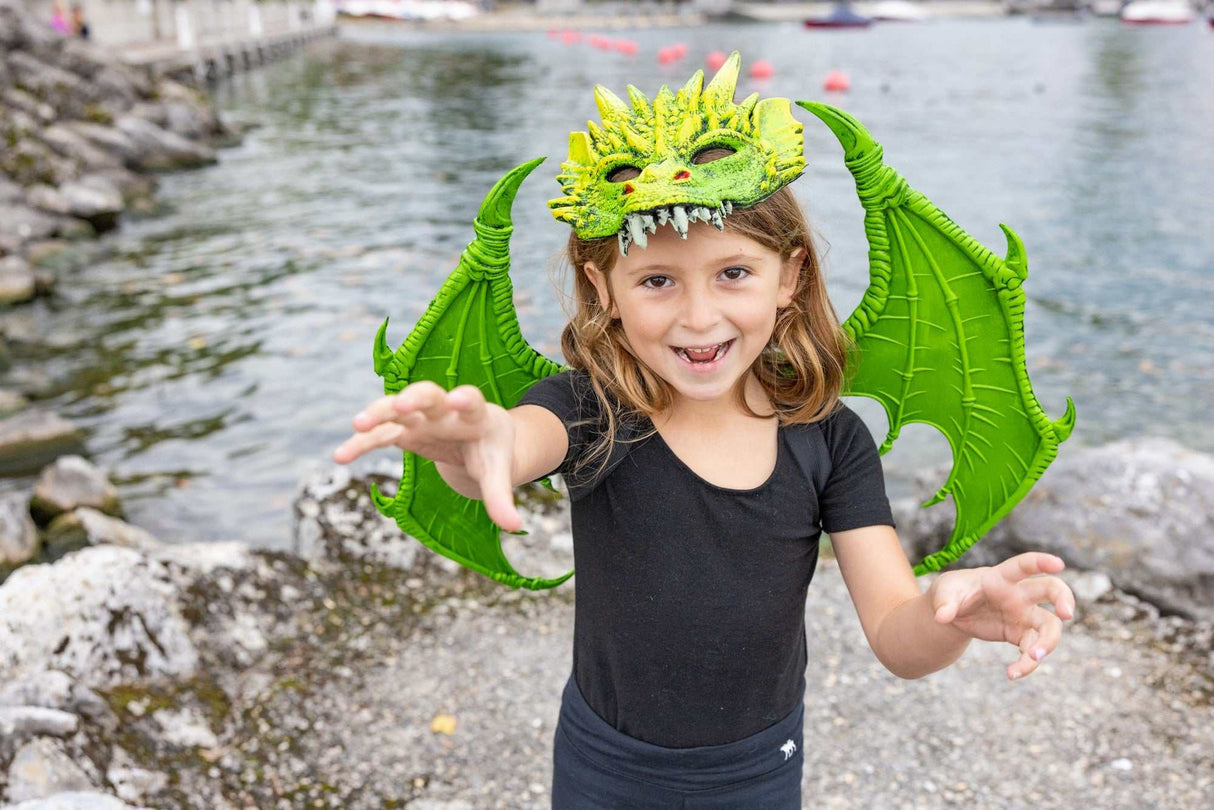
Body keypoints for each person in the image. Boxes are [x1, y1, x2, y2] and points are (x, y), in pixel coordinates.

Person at [332, 56, 1076, 807]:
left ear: (790, 277)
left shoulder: (832, 440)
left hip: (759, 768)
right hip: (602, 763)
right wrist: (475, 446)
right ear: (604, 290)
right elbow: (520, 441)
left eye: (733, 274)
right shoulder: (593, 407)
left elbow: (896, 634)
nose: (697, 318)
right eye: (657, 280)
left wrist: (950, 612)